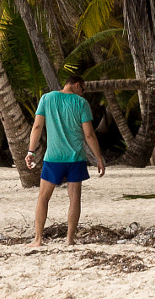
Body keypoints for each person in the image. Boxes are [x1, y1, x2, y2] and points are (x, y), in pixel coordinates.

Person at [27, 70, 105, 246]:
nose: (82, 93)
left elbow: (37, 126)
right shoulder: (81, 103)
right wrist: (98, 158)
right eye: (82, 89)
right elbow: (89, 135)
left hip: (53, 157)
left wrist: (30, 152)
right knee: (74, 199)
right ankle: (69, 240)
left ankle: (38, 239)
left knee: (43, 198)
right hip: (75, 158)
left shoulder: (47, 98)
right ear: (77, 85)